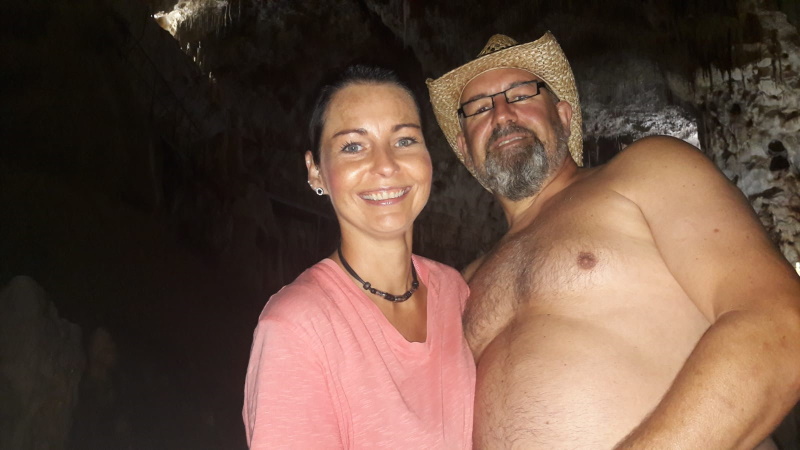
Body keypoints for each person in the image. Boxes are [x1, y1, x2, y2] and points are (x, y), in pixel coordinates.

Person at [426, 32, 800, 449]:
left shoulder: (646, 170)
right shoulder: (463, 283)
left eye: (520, 94)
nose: (501, 114)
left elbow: (779, 321)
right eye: (479, 108)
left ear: (563, 116)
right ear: (465, 149)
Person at [243, 65, 475, 449]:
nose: (386, 165)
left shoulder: (454, 291)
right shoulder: (296, 329)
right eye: (353, 146)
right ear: (316, 171)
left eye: (404, 140)